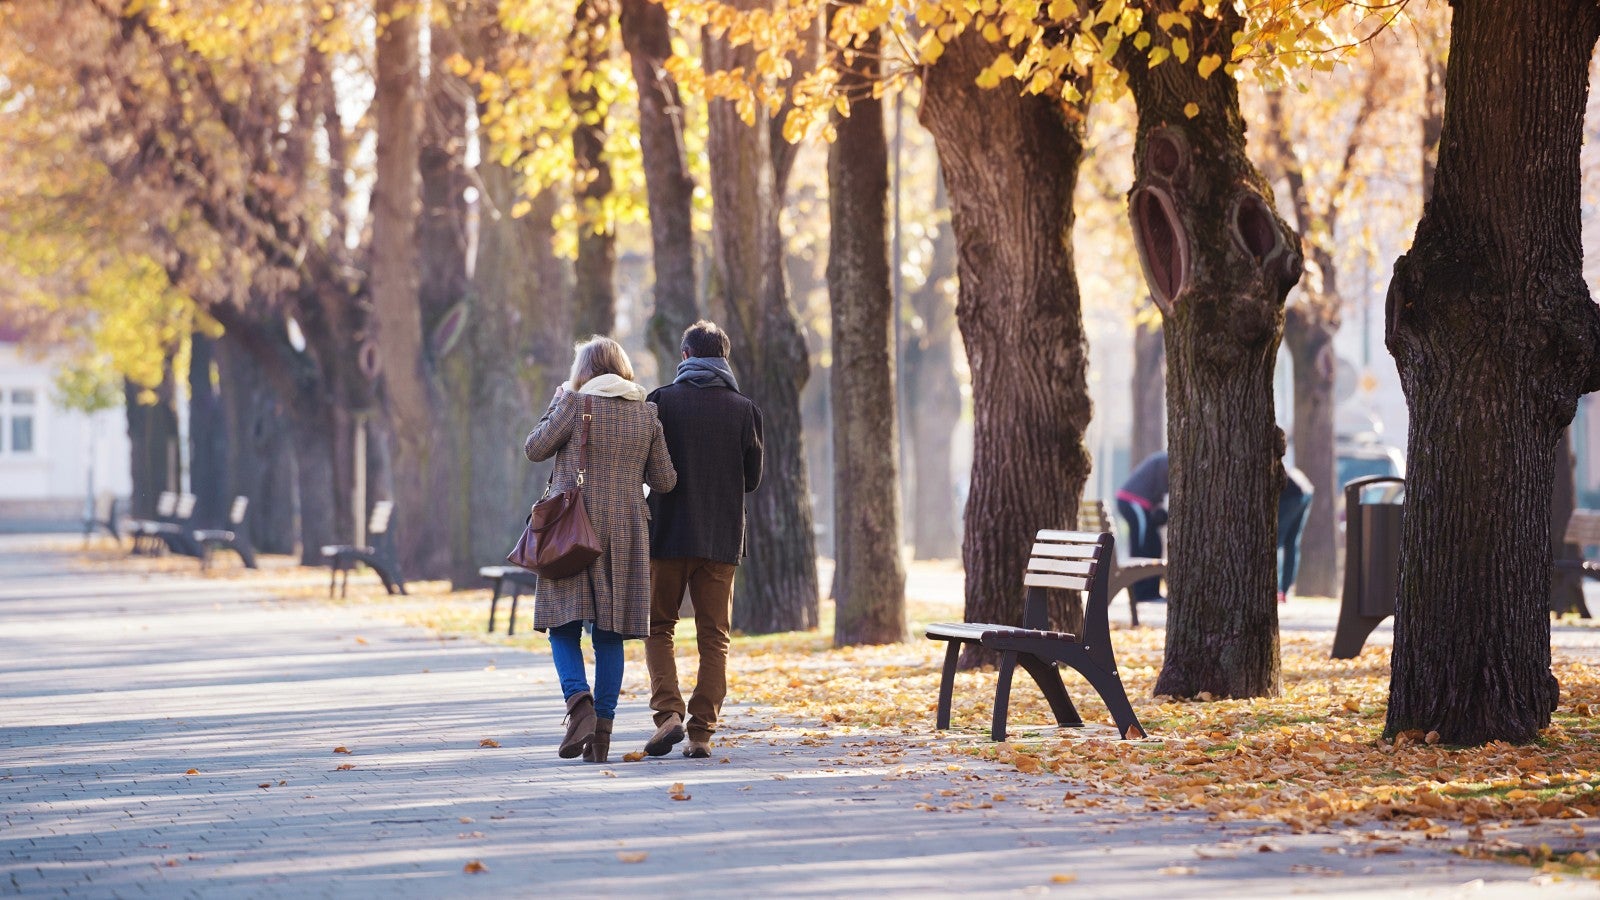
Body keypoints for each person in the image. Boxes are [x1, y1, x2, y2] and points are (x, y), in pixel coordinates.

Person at [524, 336, 676, 764]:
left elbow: (534, 448)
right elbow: (665, 481)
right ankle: (601, 736)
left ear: (583, 371)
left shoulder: (574, 404)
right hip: (627, 530)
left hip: (571, 530)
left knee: (563, 625)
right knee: (609, 633)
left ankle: (579, 706)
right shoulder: (647, 414)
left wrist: (559, 401)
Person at [642, 321, 763, 759]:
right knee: (714, 636)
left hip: (667, 535)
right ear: (723, 358)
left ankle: (668, 714)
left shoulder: (660, 402)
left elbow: (645, 468)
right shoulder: (745, 409)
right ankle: (701, 732)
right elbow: (751, 480)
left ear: (686, 355)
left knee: (659, 627)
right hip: (721, 540)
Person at [1115, 450, 1168, 602]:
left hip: (1139, 504)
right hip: (1134, 502)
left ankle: (1151, 591)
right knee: (1143, 545)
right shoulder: (1166, 461)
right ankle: (1143, 593)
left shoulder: (1162, 460)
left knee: (1153, 543)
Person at [1277, 464, 1314, 603]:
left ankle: (1278, 588)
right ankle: (1285, 589)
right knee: (1291, 542)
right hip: (1305, 490)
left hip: (1292, 493)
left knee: (1277, 541)